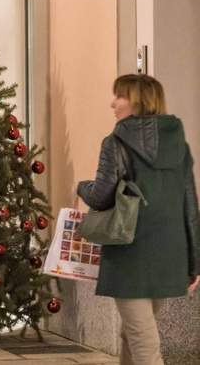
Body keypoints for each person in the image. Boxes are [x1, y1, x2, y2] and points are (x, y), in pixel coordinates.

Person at [76, 74, 199, 365]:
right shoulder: (179, 144)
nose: (112, 103)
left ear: (138, 101)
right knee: (136, 333)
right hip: (169, 253)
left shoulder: (115, 142)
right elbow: (190, 207)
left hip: (130, 251)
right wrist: (194, 263)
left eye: (120, 96)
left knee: (144, 341)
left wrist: (80, 187)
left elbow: (101, 197)